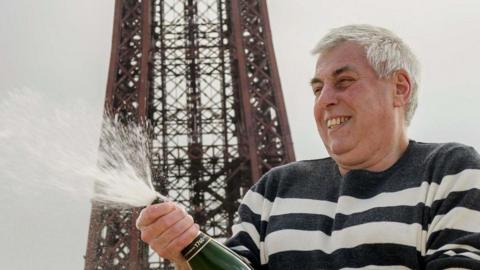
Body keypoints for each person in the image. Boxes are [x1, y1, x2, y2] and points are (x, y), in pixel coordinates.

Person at [135, 24, 480, 269]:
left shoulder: (450, 171)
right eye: (317, 89)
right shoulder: (273, 189)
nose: (326, 100)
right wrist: (185, 250)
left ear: (400, 88)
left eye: (344, 82)